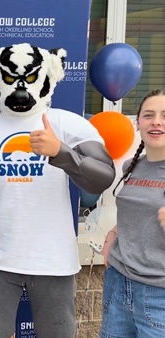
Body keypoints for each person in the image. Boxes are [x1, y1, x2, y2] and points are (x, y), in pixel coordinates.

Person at [0, 43, 116, 338]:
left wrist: (60, 152)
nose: (20, 89)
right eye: (9, 78)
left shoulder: (67, 124)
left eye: (30, 79)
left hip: (53, 259)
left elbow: (102, 178)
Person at [100, 89, 165, 338]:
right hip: (118, 282)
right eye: (149, 115)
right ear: (138, 123)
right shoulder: (132, 166)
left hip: (159, 294)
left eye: (164, 115)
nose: (156, 121)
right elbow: (136, 213)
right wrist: (113, 234)